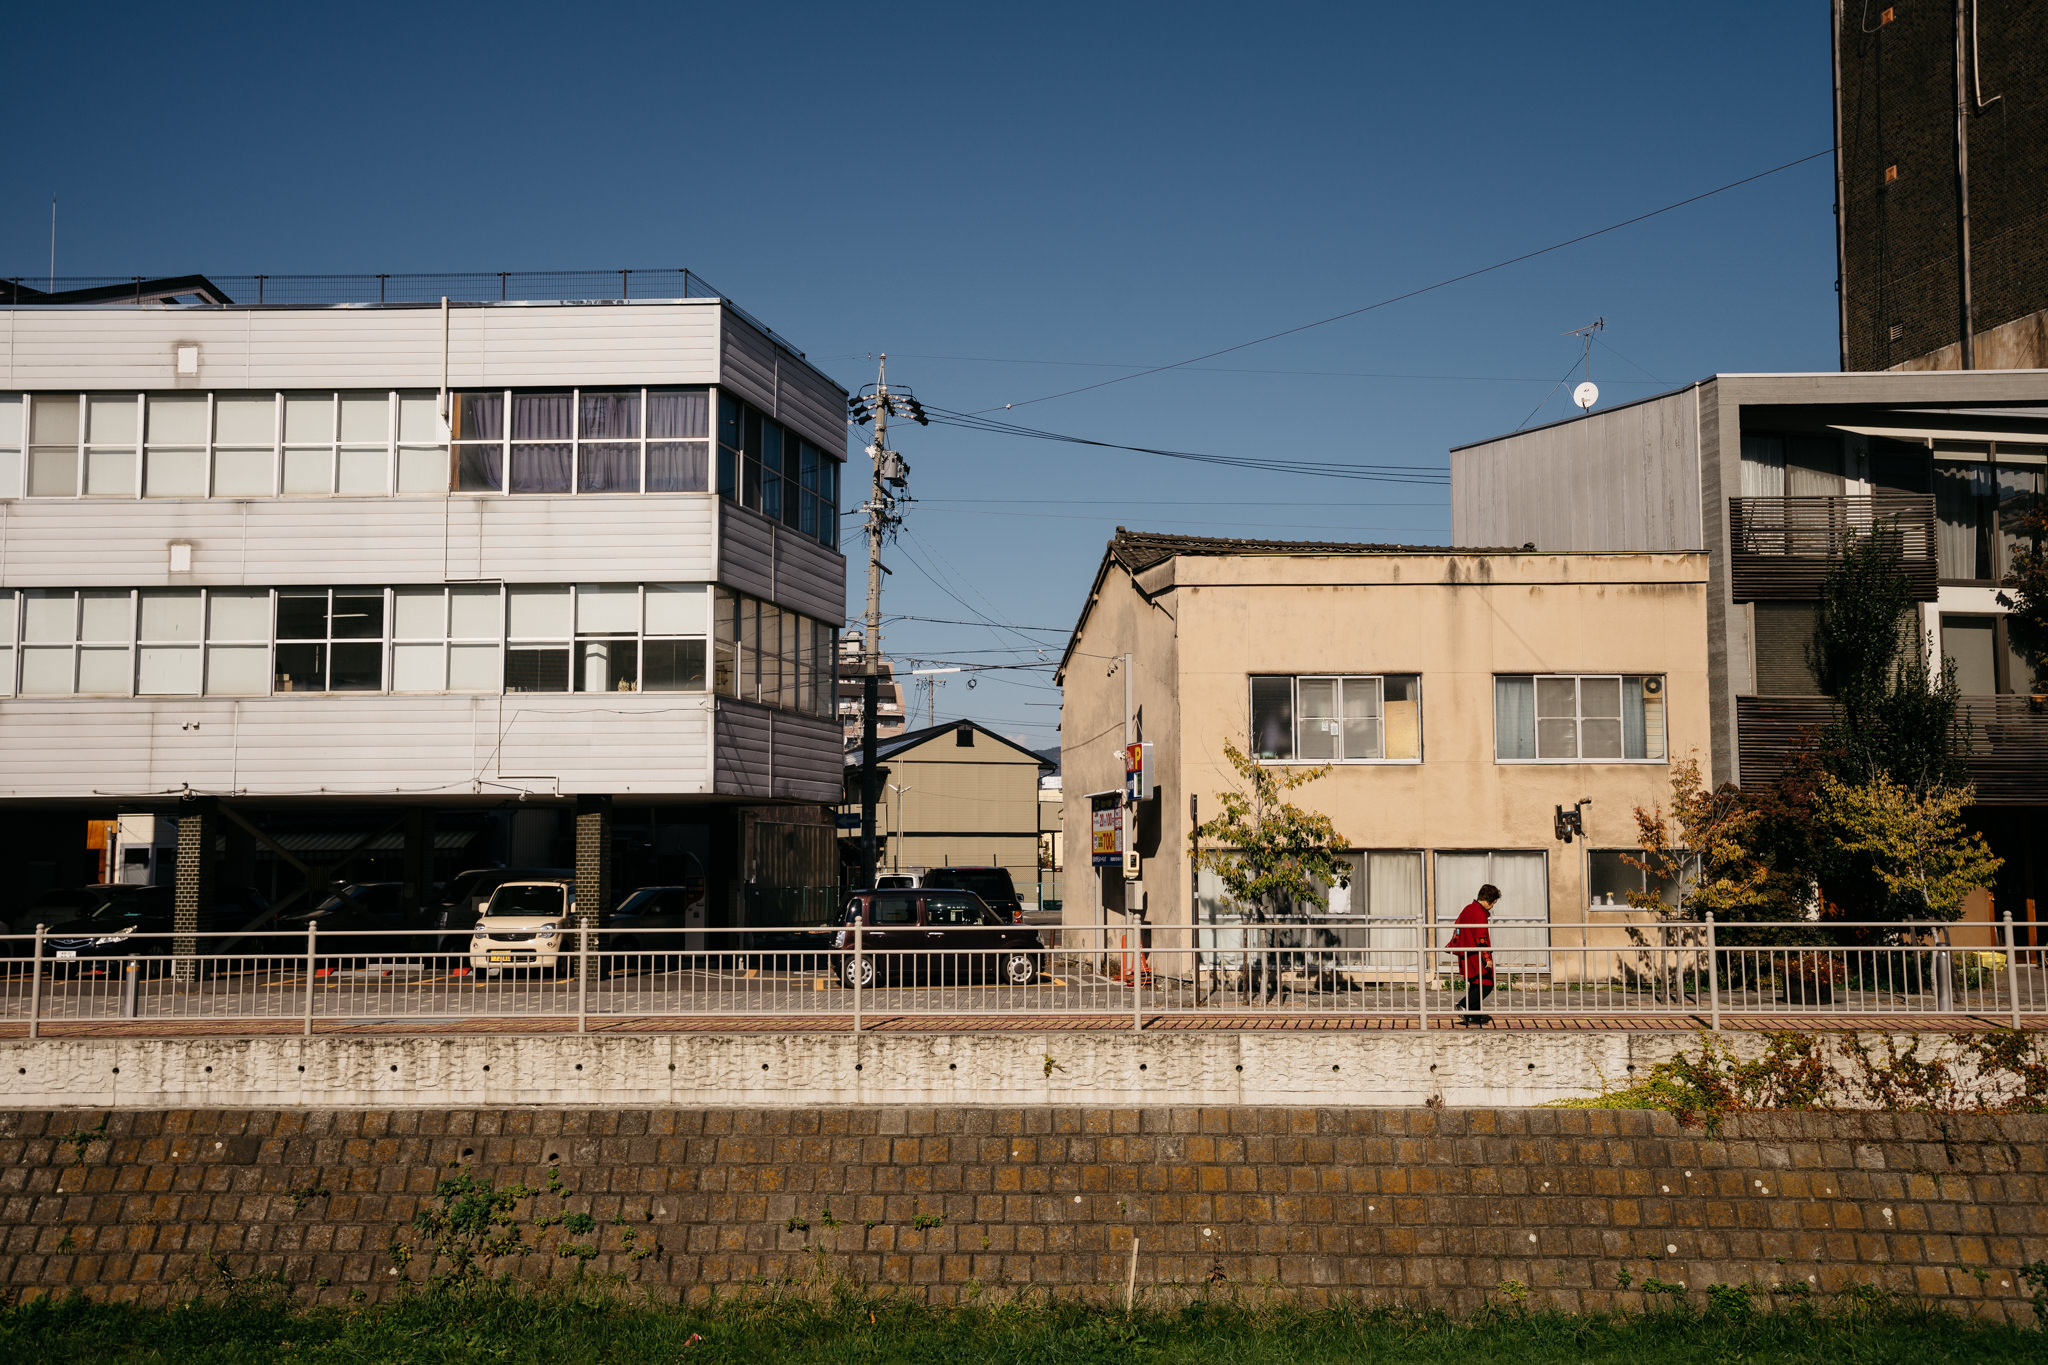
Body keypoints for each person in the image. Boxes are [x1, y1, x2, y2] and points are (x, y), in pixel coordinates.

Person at [1445, 884, 1499, 1025]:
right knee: (1486, 984)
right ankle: (1464, 1005)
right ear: (1489, 901)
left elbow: (1457, 927)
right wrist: (1487, 958)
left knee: (1476, 984)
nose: (1493, 906)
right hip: (1477, 955)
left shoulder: (1468, 909)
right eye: (1494, 903)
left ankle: (1473, 1017)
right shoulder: (1479, 913)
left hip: (1466, 954)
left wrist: (1455, 943)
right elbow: (1481, 938)